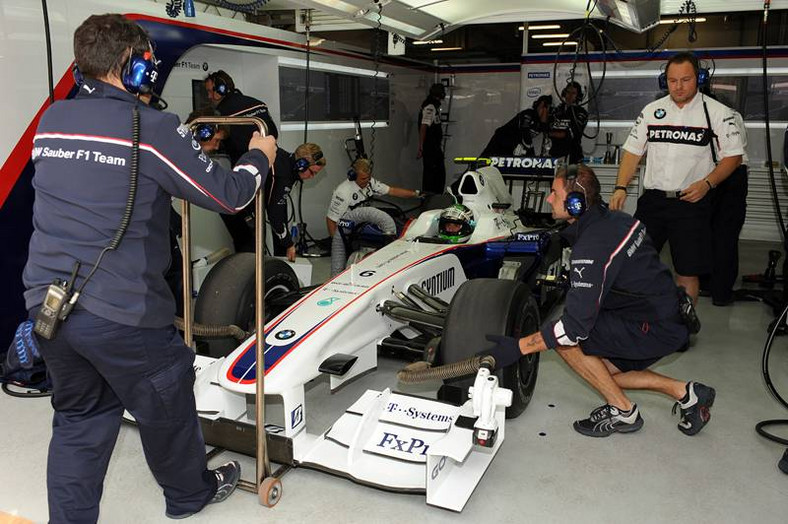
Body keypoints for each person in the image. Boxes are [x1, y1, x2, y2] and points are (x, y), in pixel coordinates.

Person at [21, 14, 276, 522]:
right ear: (132, 67)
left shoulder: (50, 121)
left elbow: (97, 177)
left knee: (80, 419)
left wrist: (183, 153)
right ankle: (188, 494)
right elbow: (229, 195)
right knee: (168, 395)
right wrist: (258, 157)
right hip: (121, 312)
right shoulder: (153, 128)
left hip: (50, 307)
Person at [484, 164, 715, 438]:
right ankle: (688, 393)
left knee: (565, 341)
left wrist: (520, 347)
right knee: (603, 375)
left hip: (653, 325)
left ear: (575, 203)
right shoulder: (617, 219)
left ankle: (624, 413)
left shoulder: (592, 246)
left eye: (554, 194)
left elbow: (573, 329)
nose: (548, 199)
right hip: (663, 315)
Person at [610, 52, 744, 302]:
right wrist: (620, 187)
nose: (679, 86)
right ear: (665, 81)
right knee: (634, 263)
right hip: (653, 202)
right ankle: (642, 322)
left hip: (691, 205)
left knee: (687, 272)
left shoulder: (716, 112)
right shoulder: (652, 111)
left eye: (686, 80)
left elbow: (733, 156)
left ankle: (683, 328)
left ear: (699, 78)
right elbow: (632, 152)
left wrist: (707, 183)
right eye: (673, 80)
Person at [205, 70, 279, 253]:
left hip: (244, 178)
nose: (209, 96)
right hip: (267, 171)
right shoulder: (257, 103)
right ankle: (260, 267)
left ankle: (245, 272)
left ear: (220, 89)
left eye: (209, 91)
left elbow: (218, 142)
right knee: (262, 226)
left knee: (245, 235)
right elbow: (274, 133)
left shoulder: (221, 113)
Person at [700, 109, 749, 306]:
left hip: (728, 173)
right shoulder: (732, 114)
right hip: (712, 175)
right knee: (711, 232)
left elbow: (736, 154)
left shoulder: (728, 115)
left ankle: (718, 289)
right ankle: (713, 286)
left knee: (723, 234)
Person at [326, 158, 421, 237]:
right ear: (353, 176)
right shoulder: (343, 192)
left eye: (368, 177)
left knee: (394, 214)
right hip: (351, 224)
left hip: (366, 216)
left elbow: (391, 190)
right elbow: (331, 220)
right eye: (363, 179)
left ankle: (410, 233)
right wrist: (338, 245)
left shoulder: (370, 182)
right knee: (385, 228)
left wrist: (416, 194)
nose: (367, 181)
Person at [267, 143, 326, 261]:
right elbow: (275, 216)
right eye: (312, 172)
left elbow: (280, 210)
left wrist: (286, 242)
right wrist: (289, 244)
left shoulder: (285, 159)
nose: (312, 177)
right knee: (251, 247)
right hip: (241, 205)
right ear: (301, 165)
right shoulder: (284, 176)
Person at [480, 95, 552, 158]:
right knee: (486, 159)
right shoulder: (528, 114)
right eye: (546, 107)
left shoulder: (541, 122)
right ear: (541, 105)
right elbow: (525, 135)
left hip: (511, 146)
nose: (547, 111)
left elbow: (545, 128)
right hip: (501, 139)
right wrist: (531, 155)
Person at [417, 83, 447, 194]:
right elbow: (423, 127)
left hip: (432, 147)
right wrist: (421, 146)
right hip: (431, 148)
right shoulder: (430, 107)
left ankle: (432, 199)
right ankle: (431, 199)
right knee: (435, 176)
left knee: (434, 175)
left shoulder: (433, 105)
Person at [549, 81, 588, 163]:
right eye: (568, 92)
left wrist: (552, 133)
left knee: (571, 175)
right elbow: (546, 127)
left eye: (573, 93)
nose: (570, 95)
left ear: (578, 96)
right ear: (564, 93)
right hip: (555, 155)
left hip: (573, 157)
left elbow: (572, 134)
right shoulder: (557, 110)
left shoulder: (581, 112)